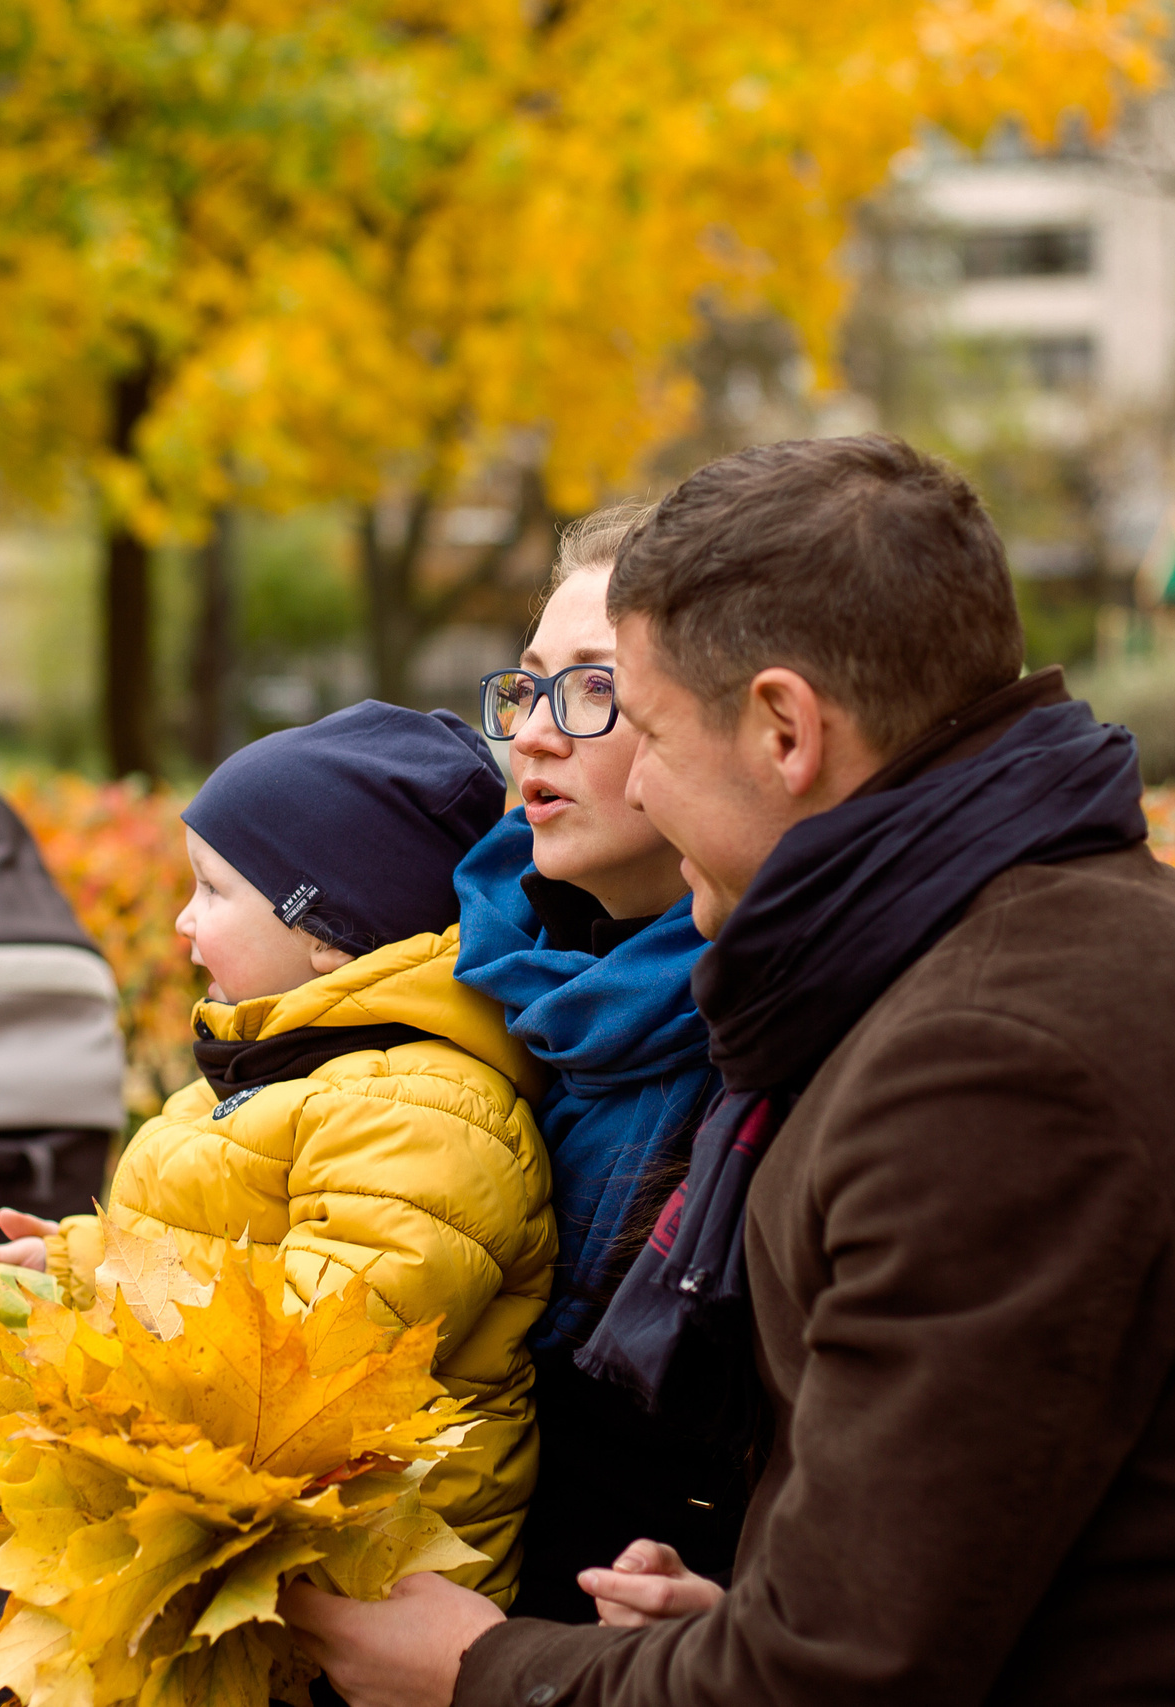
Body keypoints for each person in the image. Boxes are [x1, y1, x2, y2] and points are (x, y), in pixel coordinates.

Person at [282, 435, 1175, 1704]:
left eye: (648, 730)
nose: (645, 791)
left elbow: (836, 1683)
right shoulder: (1025, 951)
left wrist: (477, 1671)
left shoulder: (991, 1062)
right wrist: (730, 1620)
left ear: (785, 728)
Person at [0, 699, 557, 1604]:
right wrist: (76, 1263)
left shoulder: (426, 1112)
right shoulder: (294, 1074)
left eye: (212, 890)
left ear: (326, 929)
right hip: (255, 1563)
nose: (180, 920)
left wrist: (105, 1269)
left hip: (359, 1591)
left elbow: (308, 1350)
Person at [453, 507, 748, 1621]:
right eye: (528, 687)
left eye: (591, 691)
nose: (531, 734)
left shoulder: (775, 1035)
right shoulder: (457, 959)